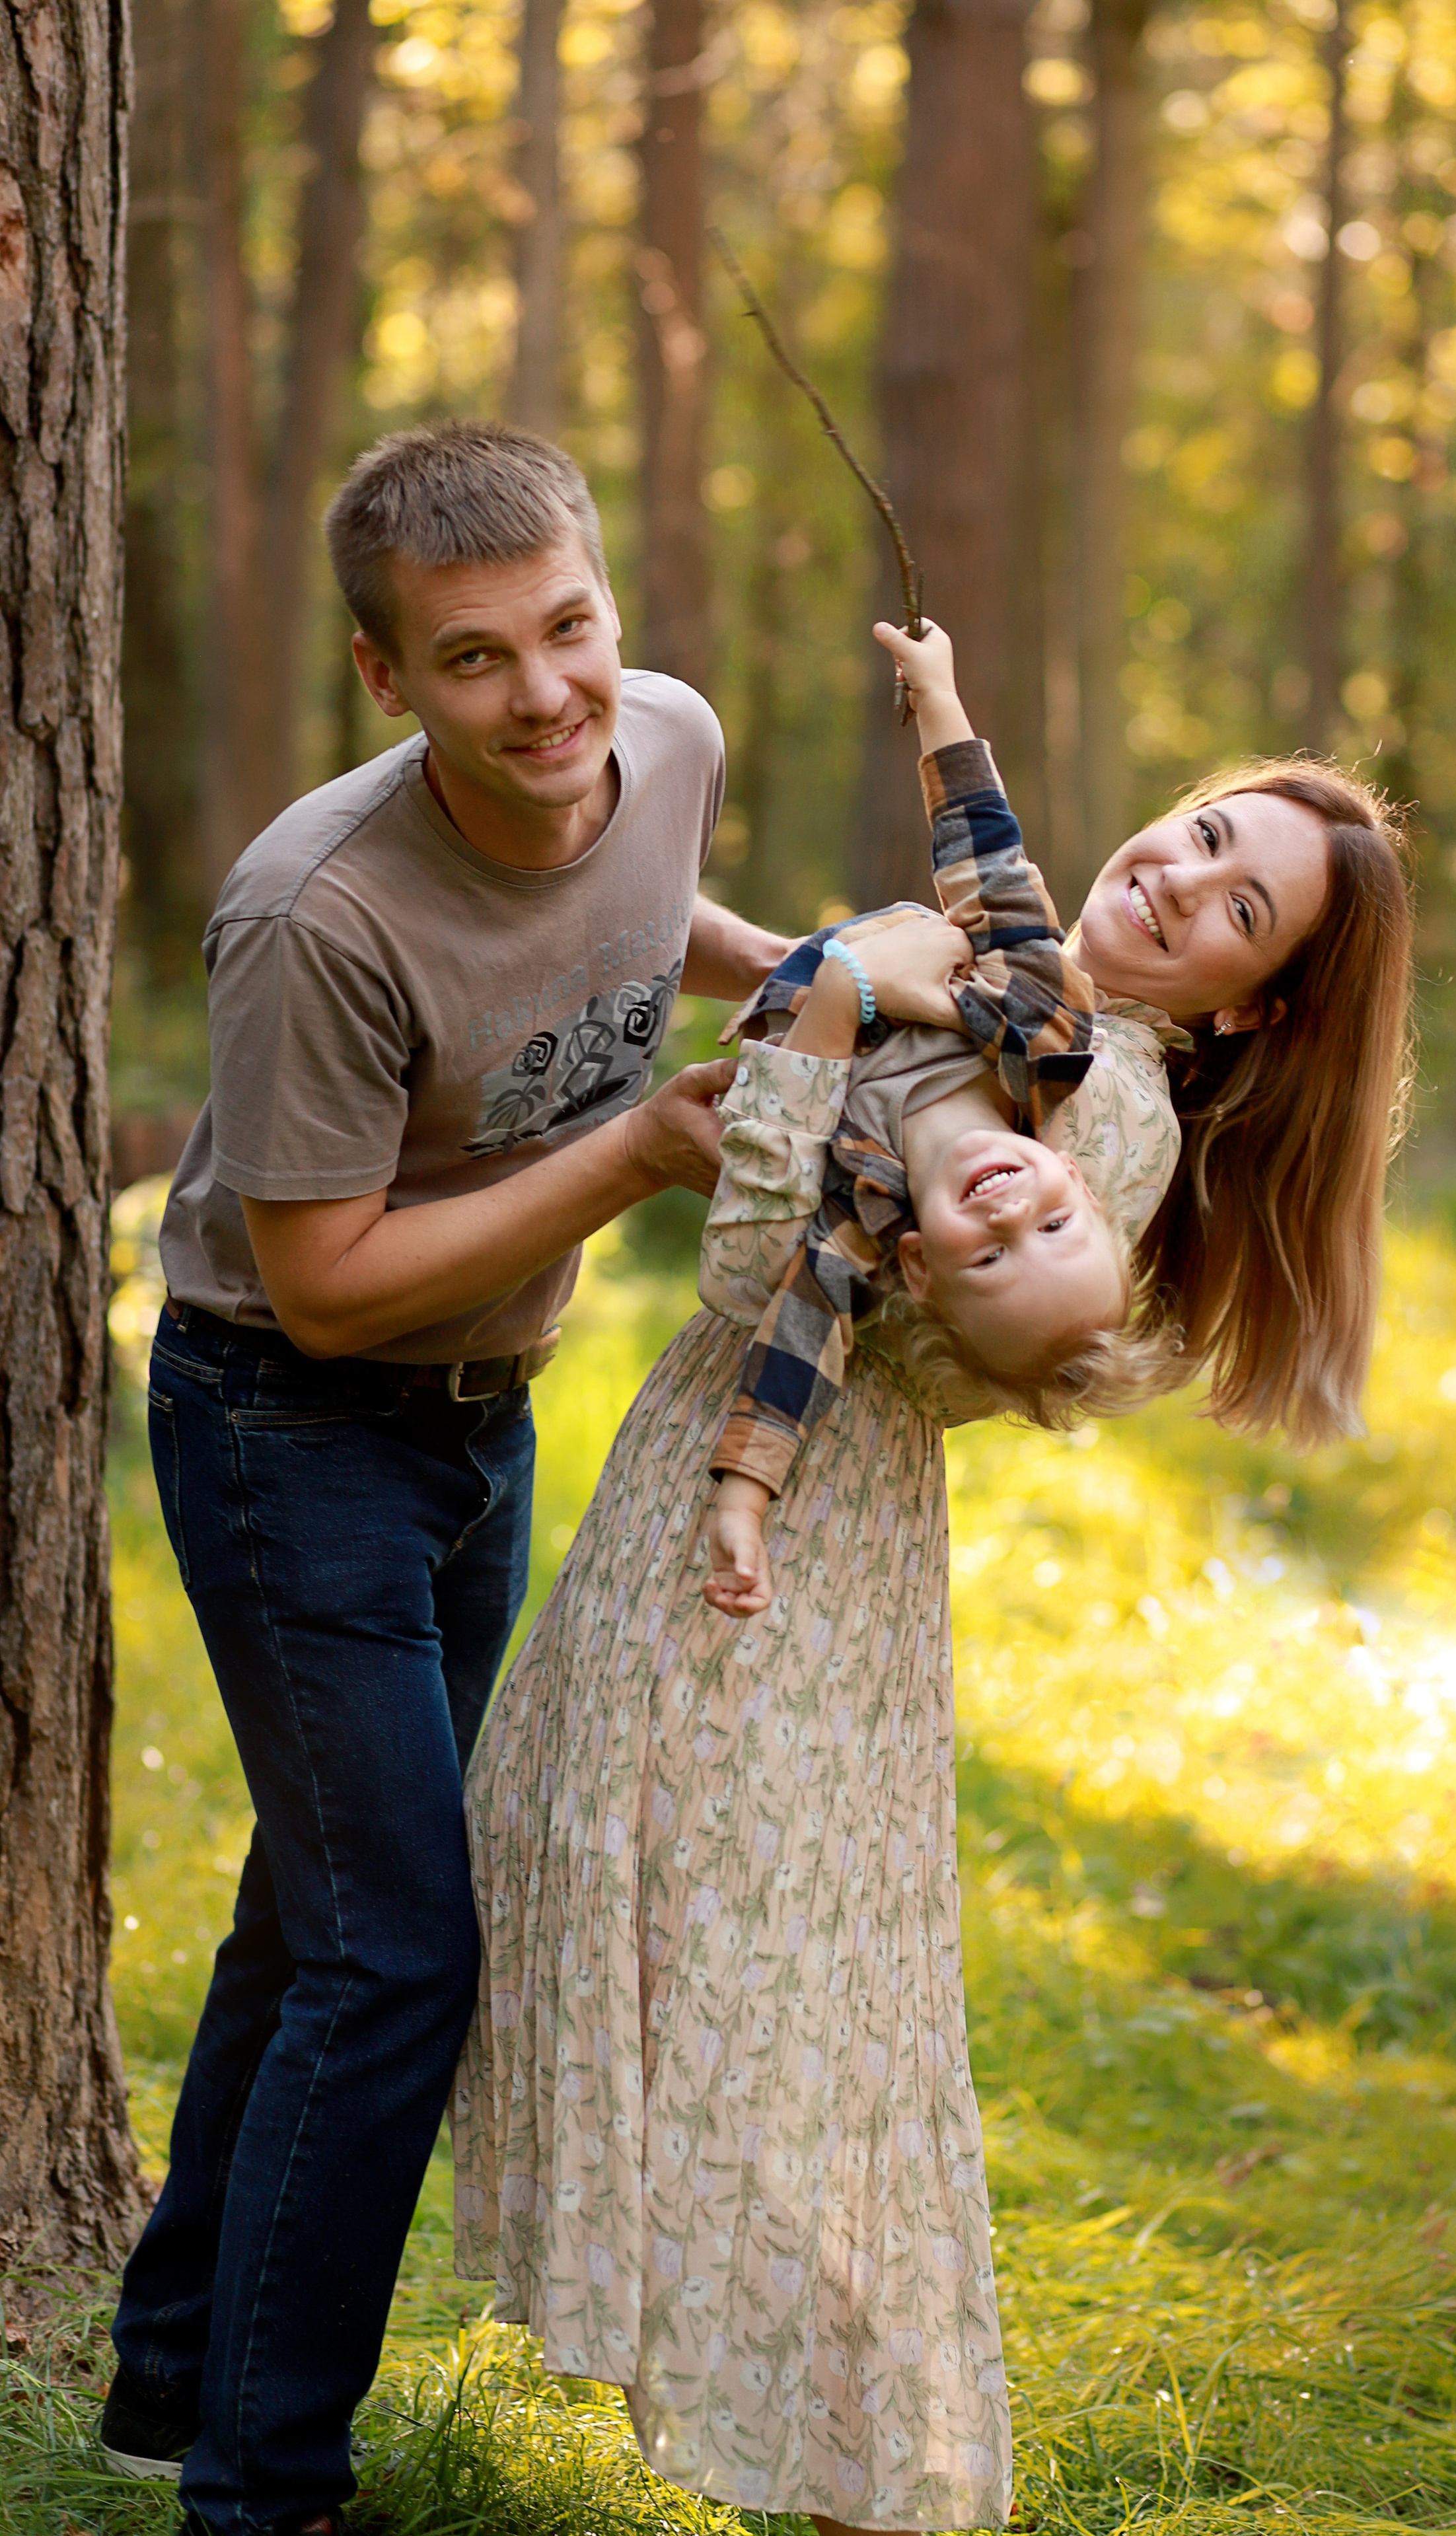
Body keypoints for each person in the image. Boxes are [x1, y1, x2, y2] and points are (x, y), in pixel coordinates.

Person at [453, 621, 1413, 2532]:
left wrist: (817, 1002)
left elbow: (762, 1272)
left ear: (1251, 1007)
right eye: (1201, 831)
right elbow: (975, 884)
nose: (1178, 877)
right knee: (695, 1950)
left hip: (790, 1543)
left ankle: (851, 2469)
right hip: (731, 1503)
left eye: (1239, 909)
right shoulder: (1029, 980)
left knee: (741, 1988)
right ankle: (814, 2441)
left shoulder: (1101, 1110)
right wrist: (929, 728)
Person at [100, 419, 791, 2536]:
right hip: (289, 1428)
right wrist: (638, 1150)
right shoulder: (317, 916)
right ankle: (264, 2487)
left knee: (309, 1926)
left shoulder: (659, 734)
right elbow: (315, 1293)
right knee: (400, 1955)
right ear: (390, 682)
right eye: (478, 661)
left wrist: (808, 980)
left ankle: (165, 2380)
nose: (551, 696)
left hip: (486, 1417)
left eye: (570, 628)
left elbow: (645, 906)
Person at [700, 612, 1178, 1619]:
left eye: (991, 1258)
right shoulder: (1043, 1036)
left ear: (917, 1266)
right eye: (1053, 1225)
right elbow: (992, 870)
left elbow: (792, 1355)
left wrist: (744, 1501)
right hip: (870, 949)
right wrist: (939, 700)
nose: (1010, 1215)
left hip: (788, 1012)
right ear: (1081, 1181)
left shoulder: (856, 1216)